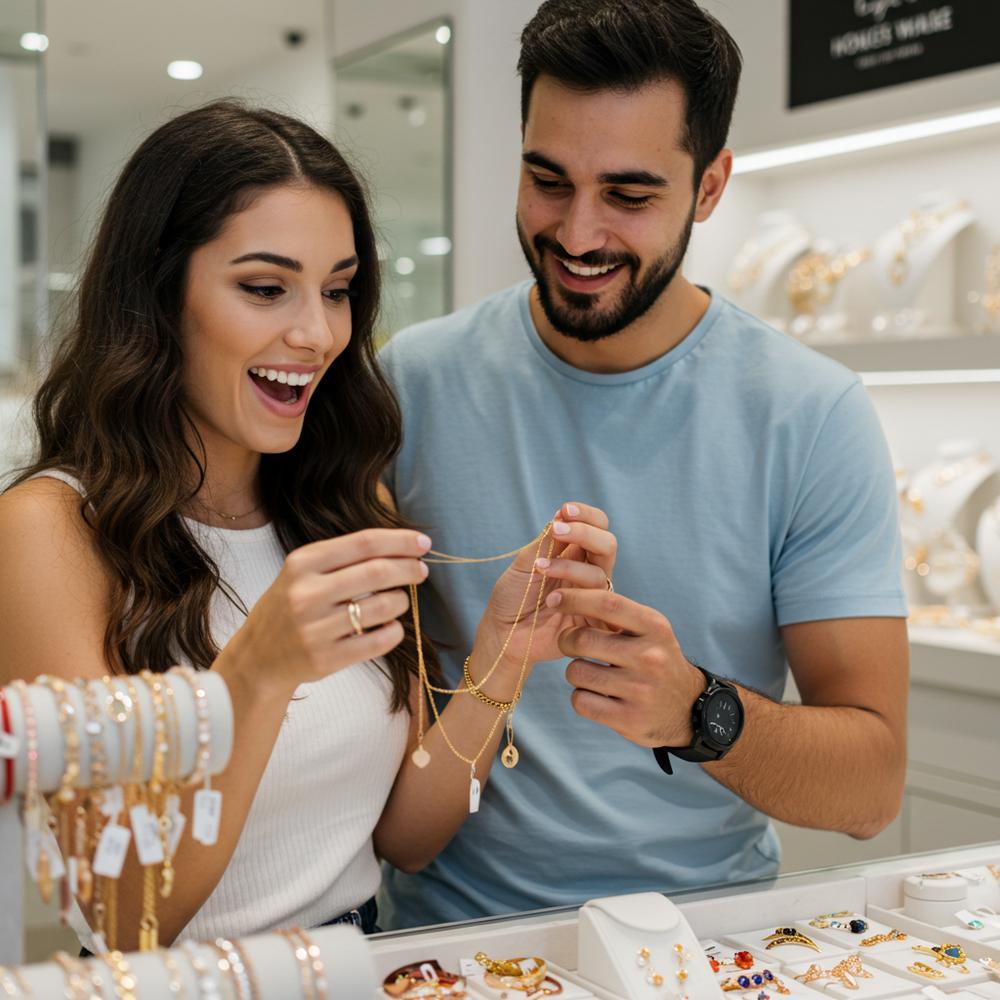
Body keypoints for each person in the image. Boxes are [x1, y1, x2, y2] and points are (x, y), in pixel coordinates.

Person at [0, 100, 616, 950]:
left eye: (337, 290)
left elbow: (406, 837)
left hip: (358, 964)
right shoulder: (48, 531)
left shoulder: (343, 506)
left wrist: (503, 655)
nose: (318, 333)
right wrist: (256, 677)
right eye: (265, 289)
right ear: (157, 294)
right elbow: (120, 916)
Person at [378, 0, 908, 929]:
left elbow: (871, 790)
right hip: (446, 944)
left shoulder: (811, 413)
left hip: (705, 941)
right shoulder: (411, 382)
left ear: (710, 187)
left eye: (629, 196)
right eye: (548, 181)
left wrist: (697, 711)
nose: (579, 234)